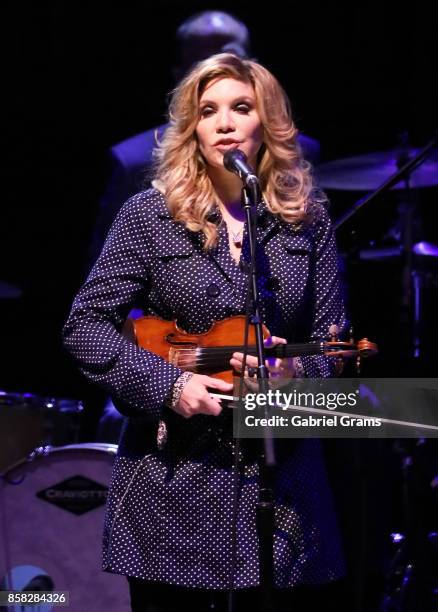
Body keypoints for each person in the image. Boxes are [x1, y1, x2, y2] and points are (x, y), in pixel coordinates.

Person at [63, 53, 346, 611]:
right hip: (173, 484)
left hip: (283, 489)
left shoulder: (308, 218)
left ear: (268, 123)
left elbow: (334, 344)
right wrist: (170, 387)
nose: (224, 123)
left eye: (241, 108)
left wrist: (295, 373)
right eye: (207, 111)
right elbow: (85, 327)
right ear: (191, 128)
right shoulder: (150, 216)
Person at [88, 10, 322, 267]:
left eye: (228, 52)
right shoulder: (132, 165)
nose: (217, 64)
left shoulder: (305, 171)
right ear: (180, 74)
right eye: (202, 57)